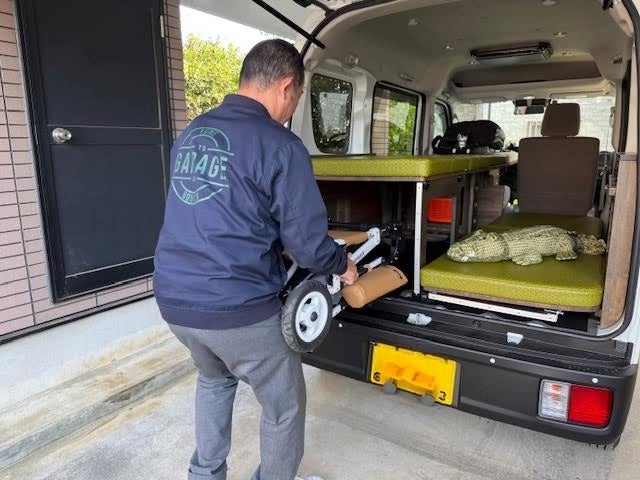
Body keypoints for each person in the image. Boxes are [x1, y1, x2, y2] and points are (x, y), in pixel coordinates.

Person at [153, 39, 358, 480]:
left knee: (214, 379)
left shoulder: (193, 133)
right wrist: (342, 264)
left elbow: (212, 208)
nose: (291, 109)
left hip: (174, 301)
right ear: (286, 87)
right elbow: (306, 244)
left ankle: (204, 475)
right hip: (237, 307)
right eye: (297, 98)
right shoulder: (280, 144)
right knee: (284, 406)